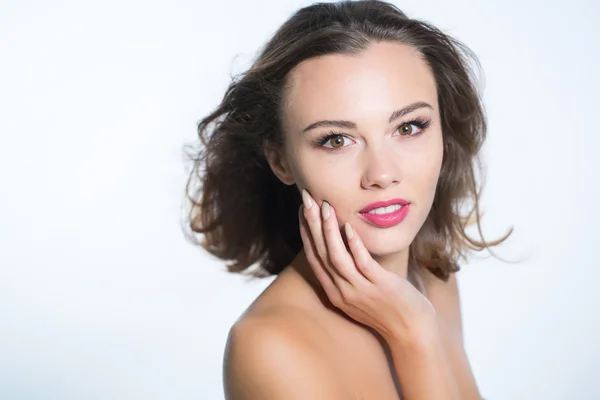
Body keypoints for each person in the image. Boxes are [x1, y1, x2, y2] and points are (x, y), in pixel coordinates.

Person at [184, 1, 512, 398]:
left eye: (408, 127)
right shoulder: (270, 346)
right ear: (281, 160)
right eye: (337, 140)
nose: (382, 173)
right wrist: (414, 334)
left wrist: (415, 330)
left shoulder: (432, 278)